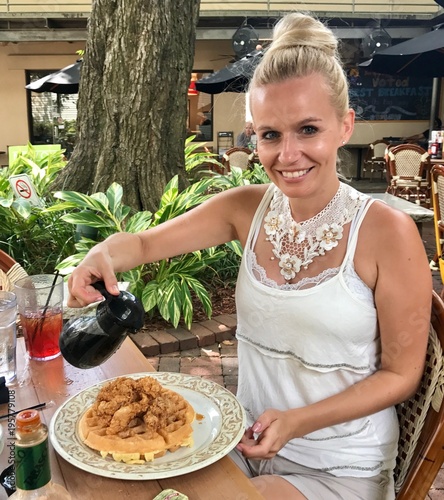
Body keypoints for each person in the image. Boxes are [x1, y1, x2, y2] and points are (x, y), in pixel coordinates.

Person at [67, 12, 432, 500]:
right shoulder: (246, 209)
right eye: (270, 135)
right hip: (243, 440)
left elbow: (401, 376)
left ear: (345, 125)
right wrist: (105, 251)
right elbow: (146, 243)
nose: (288, 155)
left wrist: (297, 422)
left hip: (340, 462)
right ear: (252, 135)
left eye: (308, 129)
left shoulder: (388, 232)